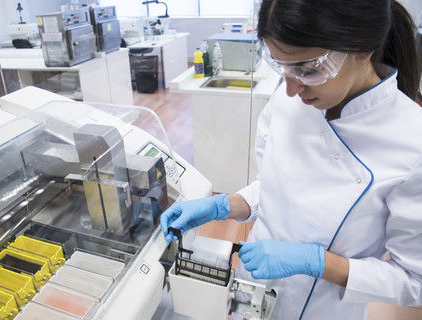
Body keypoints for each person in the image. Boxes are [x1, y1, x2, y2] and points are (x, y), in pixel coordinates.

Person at [160, 0, 422, 319]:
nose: (291, 89)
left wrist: (317, 262)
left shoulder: (412, 142)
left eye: (308, 69)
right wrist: (222, 205)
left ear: (362, 48)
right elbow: (273, 187)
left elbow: (413, 281)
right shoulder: (288, 102)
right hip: (251, 290)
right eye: (282, 67)